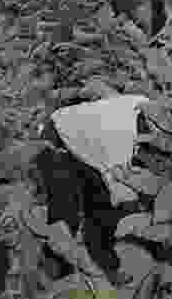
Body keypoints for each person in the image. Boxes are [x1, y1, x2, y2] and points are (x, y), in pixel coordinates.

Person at [35, 95, 152, 286]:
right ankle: (56, 270)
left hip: (86, 142)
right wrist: (140, 211)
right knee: (66, 210)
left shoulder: (144, 102)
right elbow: (121, 192)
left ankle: (106, 264)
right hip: (58, 140)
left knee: (99, 209)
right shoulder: (120, 139)